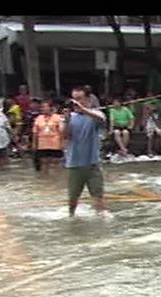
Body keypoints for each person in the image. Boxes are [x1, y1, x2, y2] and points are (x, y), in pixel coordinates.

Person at [63, 86, 109, 218]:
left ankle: (102, 222)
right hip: (74, 164)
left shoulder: (95, 114)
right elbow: (66, 136)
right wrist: (67, 121)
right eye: (74, 99)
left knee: (98, 197)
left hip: (93, 164)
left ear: (88, 99)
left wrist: (83, 109)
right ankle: (71, 219)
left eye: (79, 99)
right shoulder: (69, 117)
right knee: (72, 200)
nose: (76, 102)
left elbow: (102, 119)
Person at [32, 99, 64, 175]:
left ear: (51, 108)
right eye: (42, 107)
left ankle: (57, 179)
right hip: (42, 144)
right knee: (44, 163)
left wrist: (62, 143)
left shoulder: (57, 117)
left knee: (56, 162)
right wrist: (34, 144)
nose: (43, 109)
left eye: (45, 107)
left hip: (55, 143)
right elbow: (35, 132)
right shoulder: (38, 118)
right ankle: (45, 179)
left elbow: (61, 131)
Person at [0, 100, 13, 169]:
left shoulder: (2, 116)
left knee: (3, 161)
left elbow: (8, 128)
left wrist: (13, 140)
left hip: (2, 141)